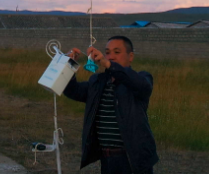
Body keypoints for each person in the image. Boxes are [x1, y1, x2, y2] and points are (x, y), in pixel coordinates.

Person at [64, 36, 158, 174]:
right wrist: (69, 64)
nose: (111, 56)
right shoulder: (98, 82)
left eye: (117, 52)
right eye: (107, 52)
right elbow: (73, 91)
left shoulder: (142, 78)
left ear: (130, 56)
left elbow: (141, 85)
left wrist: (107, 64)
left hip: (132, 159)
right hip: (107, 159)